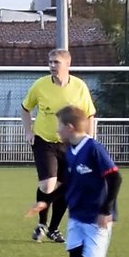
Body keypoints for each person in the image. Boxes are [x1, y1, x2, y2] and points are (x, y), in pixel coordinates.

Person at [25, 106, 123, 257]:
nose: (57, 130)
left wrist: (106, 210)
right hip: (77, 217)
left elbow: (115, 178)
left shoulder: (94, 149)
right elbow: (69, 183)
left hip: (96, 219)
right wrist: (47, 201)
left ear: (70, 128)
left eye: (59, 126)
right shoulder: (70, 151)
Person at [22, 48, 97, 244]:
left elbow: (89, 115)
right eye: (50, 62)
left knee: (65, 186)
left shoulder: (79, 87)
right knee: (48, 185)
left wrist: (89, 140)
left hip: (70, 143)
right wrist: (29, 132)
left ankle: (54, 228)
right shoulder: (40, 85)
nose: (52, 66)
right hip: (44, 141)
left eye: (56, 62)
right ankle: (41, 224)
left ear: (67, 64)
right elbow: (25, 108)